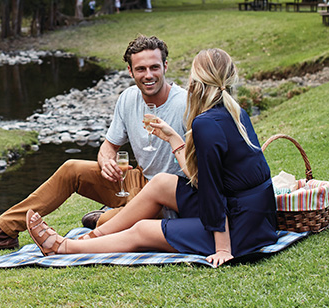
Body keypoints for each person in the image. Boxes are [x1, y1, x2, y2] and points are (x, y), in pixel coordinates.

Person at [26, 48, 278, 267]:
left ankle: (61, 248)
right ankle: (90, 239)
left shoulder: (206, 123)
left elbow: (212, 191)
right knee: (161, 183)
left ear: (197, 81)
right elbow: (207, 178)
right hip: (258, 217)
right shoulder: (235, 111)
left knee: (142, 230)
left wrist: (223, 248)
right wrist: (173, 138)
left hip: (238, 230)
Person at [0, 35, 187, 256]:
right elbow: (109, 146)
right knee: (71, 169)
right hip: (138, 181)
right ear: (130, 71)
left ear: (165, 66)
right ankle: (4, 232)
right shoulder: (128, 98)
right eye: (140, 69)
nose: (148, 75)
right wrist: (106, 161)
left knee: (125, 223)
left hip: (168, 196)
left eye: (154, 67)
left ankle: (100, 219)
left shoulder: (184, 104)